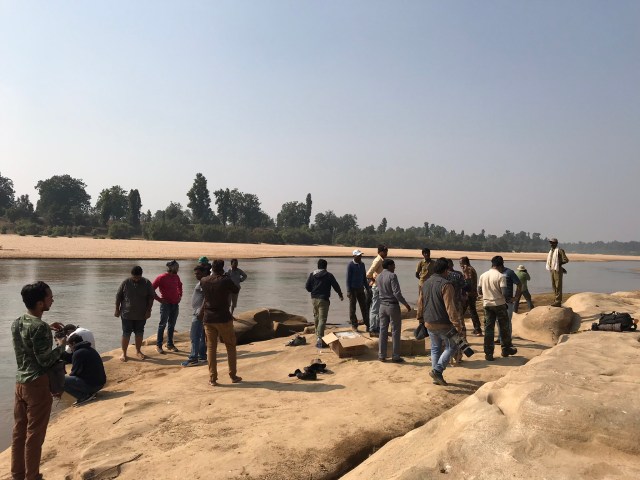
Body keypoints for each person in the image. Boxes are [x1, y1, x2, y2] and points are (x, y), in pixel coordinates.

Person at [11, 281, 66, 480]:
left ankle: (18, 475)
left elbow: (27, 342)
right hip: (37, 385)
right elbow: (45, 360)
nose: (53, 299)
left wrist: (46, 330)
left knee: (19, 433)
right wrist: (61, 345)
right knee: (34, 435)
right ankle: (32, 476)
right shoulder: (40, 327)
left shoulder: (17, 322)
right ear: (41, 303)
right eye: (50, 296)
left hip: (20, 383)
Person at [421, 258, 464, 386]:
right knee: (453, 346)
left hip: (428, 321)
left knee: (435, 348)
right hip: (443, 323)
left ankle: (436, 376)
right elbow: (450, 306)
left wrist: (420, 318)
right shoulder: (446, 284)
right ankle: (438, 371)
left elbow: (420, 302)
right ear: (446, 270)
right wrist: (457, 324)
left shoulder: (426, 283)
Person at [200, 259, 242, 386]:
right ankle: (233, 375)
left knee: (211, 348)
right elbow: (236, 289)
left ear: (212, 267)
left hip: (209, 318)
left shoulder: (204, 280)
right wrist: (227, 278)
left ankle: (212, 378)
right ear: (222, 268)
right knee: (230, 346)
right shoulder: (225, 280)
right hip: (223, 317)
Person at [478, 256, 518, 361]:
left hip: (487, 305)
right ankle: (505, 349)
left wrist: (488, 293)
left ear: (492, 264)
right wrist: (509, 299)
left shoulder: (483, 275)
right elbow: (505, 293)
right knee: (504, 327)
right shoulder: (501, 276)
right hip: (499, 304)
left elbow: (479, 291)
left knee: (488, 330)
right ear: (501, 265)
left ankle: (489, 353)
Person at [115, 265, 155, 362]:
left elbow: (151, 297)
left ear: (141, 275)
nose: (136, 279)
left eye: (138, 277)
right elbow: (118, 296)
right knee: (126, 333)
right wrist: (117, 309)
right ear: (131, 275)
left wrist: (149, 311)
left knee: (139, 332)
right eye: (134, 277)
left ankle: (138, 351)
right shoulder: (125, 282)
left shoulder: (146, 282)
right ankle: (124, 353)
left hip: (141, 314)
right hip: (126, 314)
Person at [377, 259, 412, 363]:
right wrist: (406, 304)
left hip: (382, 306)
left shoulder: (378, 277)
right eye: (393, 265)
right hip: (392, 306)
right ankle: (395, 356)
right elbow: (397, 293)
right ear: (389, 266)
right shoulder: (392, 276)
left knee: (382, 331)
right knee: (395, 331)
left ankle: (381, 355)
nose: (394, 267)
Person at [305, 258, 344, 348]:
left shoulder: (312, 275)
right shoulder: (329, 275)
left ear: (318, 266)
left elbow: (307, 287)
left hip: (314, 299)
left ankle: (317, 334)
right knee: (322, 319)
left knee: (316, 317)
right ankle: (319, 338)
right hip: (324, 299)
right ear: (326, 266)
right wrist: (340, 294)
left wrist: (313, 290)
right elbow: (336, 285)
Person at [62, 334, 106, 406]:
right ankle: (89, 393)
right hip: (100, 384)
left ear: (73, 343)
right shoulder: (91, 349)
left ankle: (83, 396)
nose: (71, 349)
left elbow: (74, 373)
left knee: (60, 380)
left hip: (93, 385)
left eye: (70, 346)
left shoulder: (78, 353)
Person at [182, 263, 211, 367]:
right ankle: (202, 357)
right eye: (195, 274)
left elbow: (206, 298)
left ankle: (193, 358)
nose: (196, 275)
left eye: (198, 273)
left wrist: (201, 312)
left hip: (199, 313)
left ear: (204, 273)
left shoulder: (203, 283)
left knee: (194, 335)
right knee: (202, 335)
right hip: (200, 312)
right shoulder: (204, 281)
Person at [152, 260, 183, 354]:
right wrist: (159, 299)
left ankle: (170, 344)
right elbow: (151, 289)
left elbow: (180, 286)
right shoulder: (161, 277)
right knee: (162, 324)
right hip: (165, 304)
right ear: (171, 268)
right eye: (176, 267)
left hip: (175, 304)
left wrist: (180, 296)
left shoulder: (176, 276)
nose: (178, 269)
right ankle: (159, 345)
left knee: (172, 325)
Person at [495, 259, 521, 344]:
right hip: (498, 301)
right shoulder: (495, 273)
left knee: (507, 321)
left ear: (500, 265)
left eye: (495, 267)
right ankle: (500, 337)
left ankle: (508, 339)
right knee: (498, 320)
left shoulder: (509, 272)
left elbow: (519, 284)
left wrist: (516, 297)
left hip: (508, 301)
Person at [366, 244, 388, 336]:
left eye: (387, 251)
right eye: (385, 251)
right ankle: (372, 328)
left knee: (379, 308)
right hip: (377, 287)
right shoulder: (378, 260)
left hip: (380, 287)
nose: (386, 253)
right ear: (380, 252)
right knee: (375, 308)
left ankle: (377, 327)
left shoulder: (381, 260)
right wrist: (373, 279)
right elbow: (368, 273)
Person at [346, 249, 369, 331]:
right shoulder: (350, 265)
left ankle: (368, 325)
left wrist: (367, 288)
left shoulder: (362, 264)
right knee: (352, 308)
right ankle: (354, 325)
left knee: (364, 307)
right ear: (354, 256)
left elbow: (364, 277)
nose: (360, 257)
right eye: (358, 255)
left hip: (361, 289)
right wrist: (348, 290)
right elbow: (348, 279)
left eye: (361, 255)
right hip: (352, 289)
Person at [459, 256, 482, 336]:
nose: (460, 265)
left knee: (466, 311)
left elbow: (468, 282)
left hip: (470, 294)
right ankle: (477, 328)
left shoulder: (468, 269)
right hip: (471, 293)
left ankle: (477, 328)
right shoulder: (470, 269)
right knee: (470, 311)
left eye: (461, 263)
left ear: (465, 263)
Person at [546, 238, 569, 307]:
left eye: (553, 243)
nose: (551, 244)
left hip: (558, 270)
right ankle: (556, 299)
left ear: (556, 243)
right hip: (552, 269)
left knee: (558, 285)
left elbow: (566, 260)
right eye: (550, 243)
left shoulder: (559, 250)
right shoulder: (551, 251)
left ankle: (558, 301)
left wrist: (559, 265)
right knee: (554, 285)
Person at [415, 248, 435, 323]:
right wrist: (421, 280)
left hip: (431, 284)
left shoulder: (434, 263)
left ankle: (430, 315)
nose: (427, 254)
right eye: (425, 253)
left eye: (428, 253)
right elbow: (417, 274)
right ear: (423, 254)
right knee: (421, 300)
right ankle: (421, 316)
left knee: (430, 299)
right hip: (422, 284)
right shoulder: (421, 263)